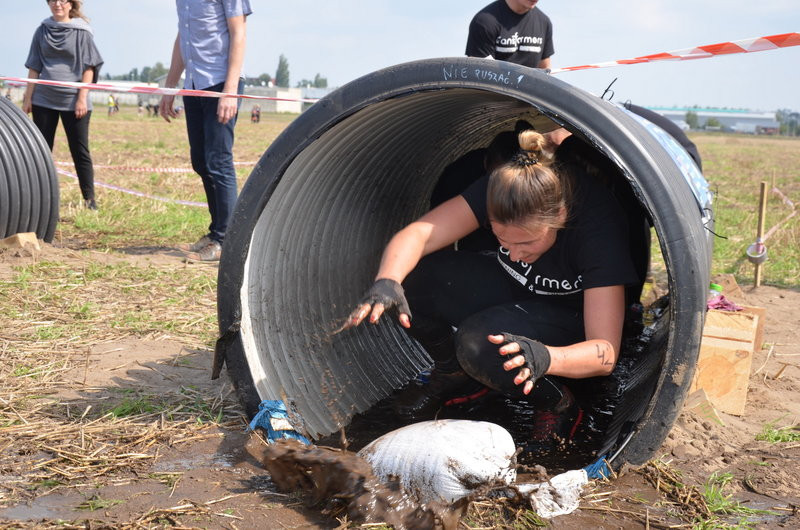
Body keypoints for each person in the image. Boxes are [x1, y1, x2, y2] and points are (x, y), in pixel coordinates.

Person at [344, 130, 638, 448]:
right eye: (502, 240)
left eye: (527, 242)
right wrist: (388, 281)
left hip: (571, 316)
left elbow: (605, 353)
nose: (514, 254)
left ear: (559, 215)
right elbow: (419, 235)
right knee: (408, 276)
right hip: (513, 287)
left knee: (479, 343)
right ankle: (456, 373)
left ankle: (558, 404)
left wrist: (548, 358)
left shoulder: (598, 231)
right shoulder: (505, 189)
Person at [160, 0, 252, 261]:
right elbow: (183, 37)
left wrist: (230, 91)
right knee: (201, 161)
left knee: (218, 161)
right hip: (194, 83)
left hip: (221, 83)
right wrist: (170, 86)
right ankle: (215, 232)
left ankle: (226, 240)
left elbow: (239, 33)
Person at [23, 0, 103, 210]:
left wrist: (82, 97)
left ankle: (89, 200)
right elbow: (34, 66)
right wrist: (28, 98)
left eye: (62, 0)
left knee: (79, 150)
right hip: (43, 100)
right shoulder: (42, 30)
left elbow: (89, 67)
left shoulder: (82, 32)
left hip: (74, 101)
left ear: (70, 4)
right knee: (41, 150)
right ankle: (40, 200)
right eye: (52, 0)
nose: (57, 4)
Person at [466, 0, 554, 70]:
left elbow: (545, 69)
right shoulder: (484, 22)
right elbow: (477, 72)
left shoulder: (544, 22)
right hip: (495, 87)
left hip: (528, 87)